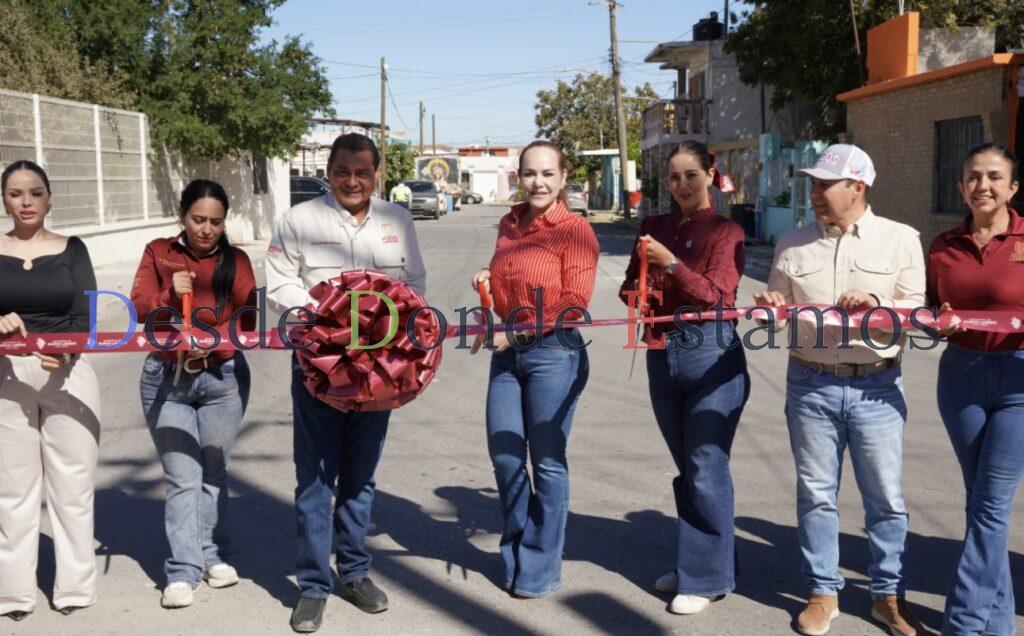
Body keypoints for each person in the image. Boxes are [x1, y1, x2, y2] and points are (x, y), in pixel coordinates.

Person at [754, 144, 926, 635]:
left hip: (877, 385)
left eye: (825, 184)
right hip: (810, 382)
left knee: (886, 499)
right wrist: (769, 303)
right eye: (812, 184)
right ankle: (822, 592)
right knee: (815, 495)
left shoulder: (900, 240)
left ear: (858, 186)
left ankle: (887, 596)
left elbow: (916, 310)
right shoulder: (791, 242)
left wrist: (877, 301)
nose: (814, 193)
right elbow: (776, 310)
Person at [266, 133, 426, 633]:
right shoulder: (298, 220)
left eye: (362, 172)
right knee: (315, 478)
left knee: (359, 477)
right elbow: (279, 281)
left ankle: (354, 572)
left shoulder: (396, 219)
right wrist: (327, 316)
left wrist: (391, 322)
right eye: (342, 171)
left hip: (380, 370)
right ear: (329, 171)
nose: (351, 181)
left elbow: (415, 282)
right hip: (320, 367)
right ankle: (314, 585)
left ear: (376, 173)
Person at [618, 140, 749, 615]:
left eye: (691, 175)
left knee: (705, 467)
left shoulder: (727, 230)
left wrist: (670, 264)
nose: (682, 186)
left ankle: (705, 576)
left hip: (710, 354)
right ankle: (703, 561)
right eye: (673, 178)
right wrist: (641, 287)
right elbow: (629, 286)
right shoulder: (654, 226)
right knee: (688, 470)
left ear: (711, 174)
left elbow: (716, 297)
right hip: (660, 350)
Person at [471, 140, 599, 598]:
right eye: (529, 173)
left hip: (554, 354)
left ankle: (539, 566)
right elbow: (512, 279)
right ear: (518, 177)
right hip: (507, 352)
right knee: (506, 458)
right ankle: (518, 549)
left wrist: (517, 334)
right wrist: (489, 280)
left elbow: (573, 303)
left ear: (563, 178)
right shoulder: (509, 223)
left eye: (547, 174)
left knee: (546, 462)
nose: (538, 182)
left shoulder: (575, 229)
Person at [130, 179, 256, 609]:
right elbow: (139, 305)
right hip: (166, 378)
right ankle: (182, 571)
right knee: (183, 476)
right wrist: (170, 292)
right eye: (198, 219)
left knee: (214, 470)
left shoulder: (236, 261)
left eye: (215, 222)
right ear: (182, 215)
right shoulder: (158, 251)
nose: (206, 229)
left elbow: (248, 322)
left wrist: (213, 341)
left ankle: (212, 555)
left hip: (222, 379)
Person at [927, 143, 1023, 636]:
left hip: (1019, 380)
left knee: (989, 504)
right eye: (972, 176)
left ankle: (963, 625)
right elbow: (925, 312)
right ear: (962, 186)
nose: (982, 185)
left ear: (1012, 187)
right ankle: (998, 626)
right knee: (979, 501)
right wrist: (933, 324)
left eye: (993, 176)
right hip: (961, 374)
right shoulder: (943, 245)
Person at [0, 160, 101, 620]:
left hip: (68, 374)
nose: (26, 202)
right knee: (13, 490)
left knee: (72, 487)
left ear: (49, 199)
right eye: (16, 193)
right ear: (4, 199)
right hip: (6, 376)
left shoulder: (73, 250)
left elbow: (87, 318)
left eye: (35, 193)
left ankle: (75, 589)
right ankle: (15, 593)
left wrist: (65, 353)